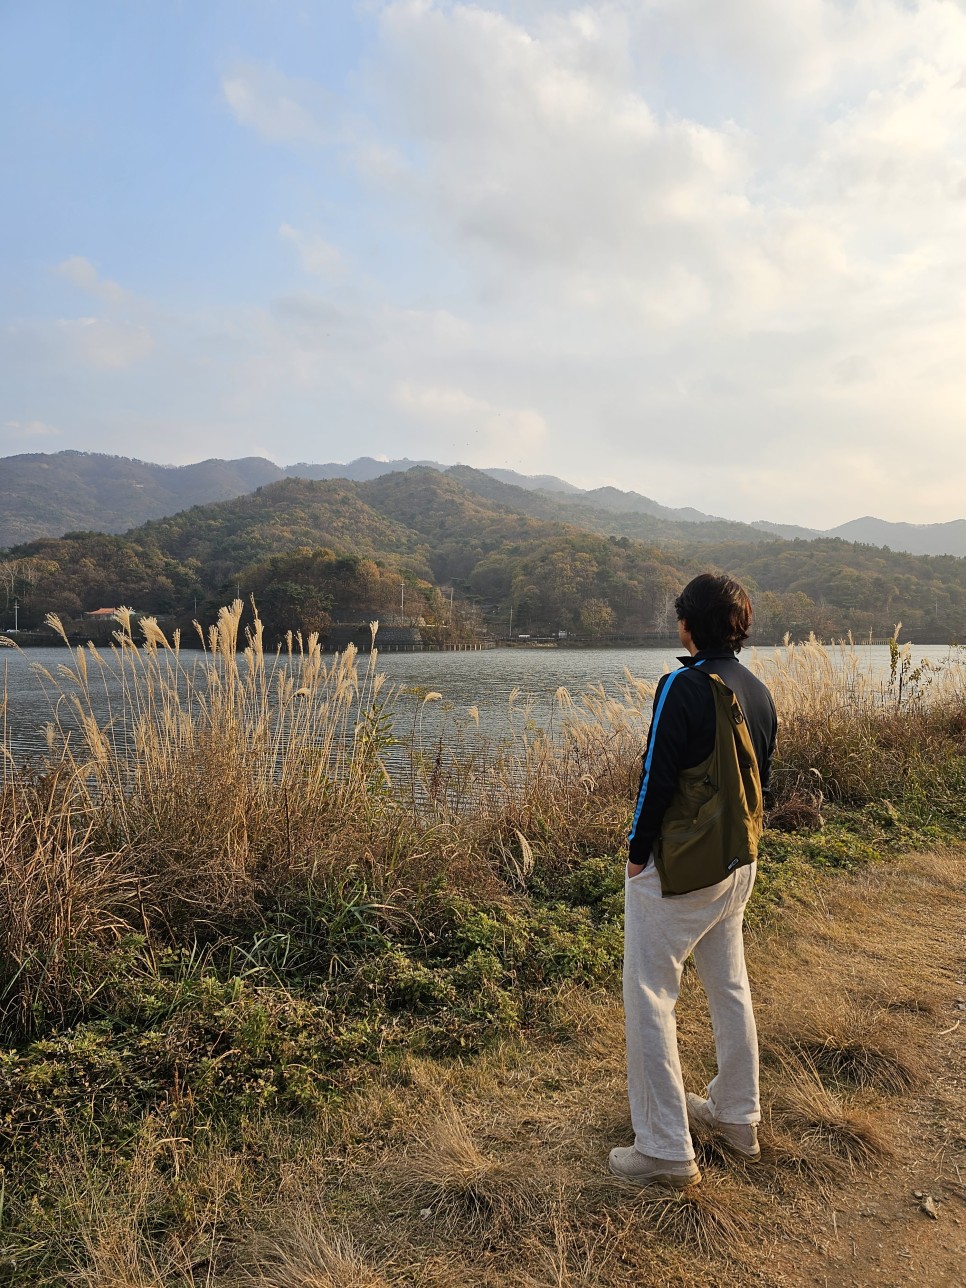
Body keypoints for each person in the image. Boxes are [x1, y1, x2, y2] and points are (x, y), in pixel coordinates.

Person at [608, 573, 778, 1189]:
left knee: (650, 991)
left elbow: (656, 775)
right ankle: (738, 1117)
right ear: (740, 626)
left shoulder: (683, 684)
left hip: (681, 871)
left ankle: (664, 1149)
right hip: (739, 866)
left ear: (688, 625)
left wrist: (637, 851)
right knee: (728, 984)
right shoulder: (758, 690)